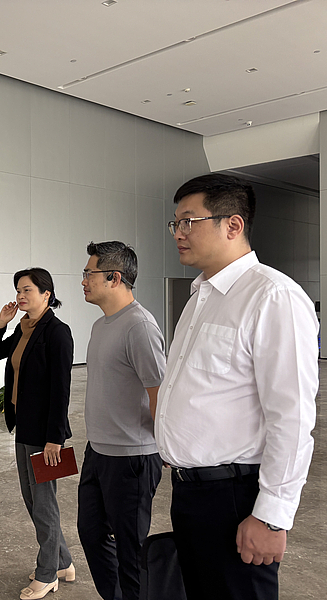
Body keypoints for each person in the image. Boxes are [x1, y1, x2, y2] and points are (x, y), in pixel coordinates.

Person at [155, 174, 318, 599]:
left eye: (189, 221)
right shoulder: (200, 297)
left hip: (235, 496)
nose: (179, 233)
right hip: (190, 492)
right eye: (175, 223)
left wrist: (271, 516)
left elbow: (292, 417)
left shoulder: (273, 296)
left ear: (233, 225)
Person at [77, 241, 166, 600]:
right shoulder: (101, 325)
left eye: (89, 273)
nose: (83, 280)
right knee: (91, 532)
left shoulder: (139, 326)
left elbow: (159, 393)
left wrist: (165, 447)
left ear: (114, 278)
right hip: (98, 451)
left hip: (132, 457)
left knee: (131, 552)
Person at [0, 268, 75, 600]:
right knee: (32, 499)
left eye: (27, 290)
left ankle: (47, 573)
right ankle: (62, 562)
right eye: (18, 290)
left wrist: (55, 438)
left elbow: (61, 390)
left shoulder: (57, 332)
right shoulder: (24, 328)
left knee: (43, 503)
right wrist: (1, 324)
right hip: (23, 425)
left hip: (44, 434)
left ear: (46, 294)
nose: (20, 296)